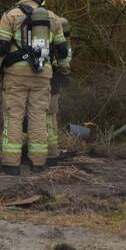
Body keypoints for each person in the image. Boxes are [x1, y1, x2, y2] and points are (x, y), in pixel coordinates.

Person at [0, 0, 70, 175]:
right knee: (38, 117)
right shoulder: (53, 18)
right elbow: (62, 51)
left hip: (15, 74)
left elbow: (1, 48)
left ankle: (11, 164)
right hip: (43, 74)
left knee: (14, 117)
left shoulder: (10, 16)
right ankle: (38, 163)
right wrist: (64, 72)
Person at [47, 16, 72, 165]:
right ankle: (51, 151)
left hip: (47, 79)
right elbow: (65, 65)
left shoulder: (47, 36)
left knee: (43, 116)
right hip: (53, 80)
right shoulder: (64, 44)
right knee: (50, 117)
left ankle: (47, 151)